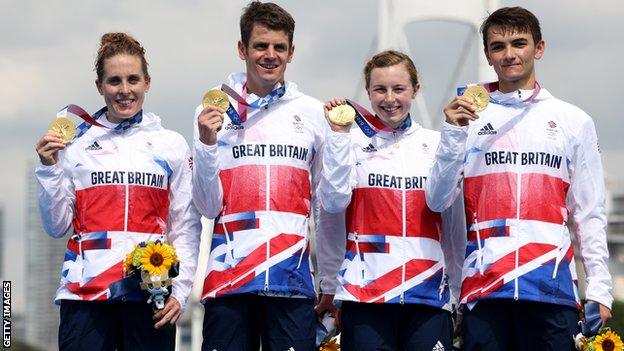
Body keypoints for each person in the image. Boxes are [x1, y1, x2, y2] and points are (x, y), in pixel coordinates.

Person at [425, 7, 613, 351]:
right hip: (485, 288)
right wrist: (452, 132)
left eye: (519, 43)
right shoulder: (465, 117)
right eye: (498, 46)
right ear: (487, 55)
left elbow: (589, 211)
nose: (509, 54)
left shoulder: (574, 120)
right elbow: (437, 200)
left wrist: (600, 286)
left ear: (538, 48)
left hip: (551, 287)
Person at [35, 32, 201, 350]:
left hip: (150, 294)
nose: (124, 91)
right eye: (114, 81)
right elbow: (55, 226)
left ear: (147, 82)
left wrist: (179, 292)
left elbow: (186, 226)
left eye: (133, 79)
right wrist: (48, 167)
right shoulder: (75, 145)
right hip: (85, 297)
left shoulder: (172, 144)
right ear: (100, 86)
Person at [192, 2, 337, 350]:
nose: (270, 55)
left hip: (292, 278)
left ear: (291, 52)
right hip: (230, 280)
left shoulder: (313, 113)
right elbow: (208, 206)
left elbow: (327, 207)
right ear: (242, 49)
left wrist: (330, 279)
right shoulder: (211, 110)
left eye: (279, 47)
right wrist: (207, 144)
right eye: (260, 45)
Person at [316, 50, 465, 351]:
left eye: (399, 89)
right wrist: (329, 284)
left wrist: (460, 293)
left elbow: (454, 226)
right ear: (368, 92)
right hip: (365, 296)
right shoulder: (349, 143)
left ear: (416, 89)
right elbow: (330, 209)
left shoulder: (437, 144)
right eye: (380, 89)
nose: (389, 99)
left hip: (428, 295)